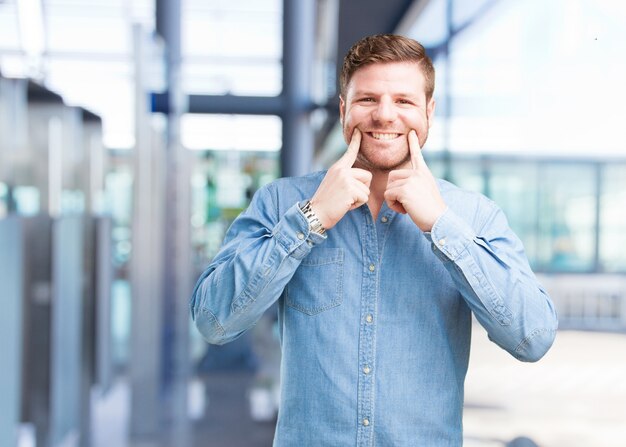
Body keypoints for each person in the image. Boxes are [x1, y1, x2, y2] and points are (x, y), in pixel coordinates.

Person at [190, 34, 558, 446]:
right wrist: (310, 220)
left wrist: (441, 225)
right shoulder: (281, 203)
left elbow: (533, 338)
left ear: (428, 113)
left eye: (404, 101)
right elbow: (214, 321)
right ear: (345, 110)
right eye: (368, 100)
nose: (385, 116)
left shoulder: (474, 216)